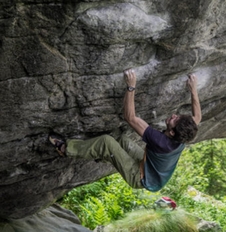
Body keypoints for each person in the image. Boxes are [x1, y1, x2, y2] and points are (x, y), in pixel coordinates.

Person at [49, 69, 201, 192]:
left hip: (140, 177)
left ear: (172, 133)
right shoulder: (183, 135)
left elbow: (130, 117)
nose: (174, 115)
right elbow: (197, 117)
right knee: (122, 140)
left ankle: (65, 148)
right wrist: (193, 89)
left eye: (174, 120)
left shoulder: (161, 142)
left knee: (106, 142)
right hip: (149, 167)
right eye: (177, 116)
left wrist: (131, 86)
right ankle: (100, 154)